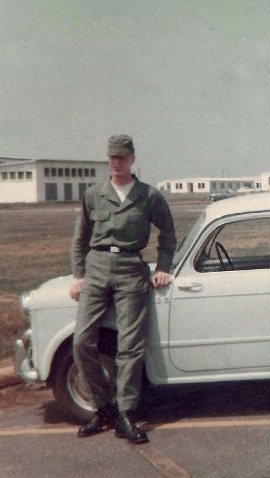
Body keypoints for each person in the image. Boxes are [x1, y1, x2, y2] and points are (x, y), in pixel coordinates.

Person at [69, 135, 176, 444]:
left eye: (122, 157)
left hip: (131, 269)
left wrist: (164, 267)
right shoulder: (93, 195)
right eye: (112, 157)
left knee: (130, 345)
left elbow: (167, 234)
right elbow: (80, 239)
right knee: (81, 341)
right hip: (97, 267)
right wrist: (79, 275)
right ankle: (104, 408)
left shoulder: (149, 196)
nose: (116, 162)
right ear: (108, 159)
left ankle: (127, 412)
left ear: (132, 159)